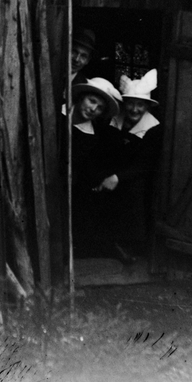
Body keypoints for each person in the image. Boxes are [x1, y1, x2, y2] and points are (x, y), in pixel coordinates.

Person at [102, 70, 163, 257]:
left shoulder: (153, 128)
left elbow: (146, 163)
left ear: (147, 106)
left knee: (134, 195)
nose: (134, 109)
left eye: (140, 105)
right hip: (113, 172)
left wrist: (117, 177)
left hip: (136, 177)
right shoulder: (115, 119)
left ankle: (130, 246)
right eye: (130, 103)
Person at [69, 77, 123, 258]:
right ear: (81, 97)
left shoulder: (92, 135)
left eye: (99, 108)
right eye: (91, 101)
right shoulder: (58, 115)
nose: (93, 109)